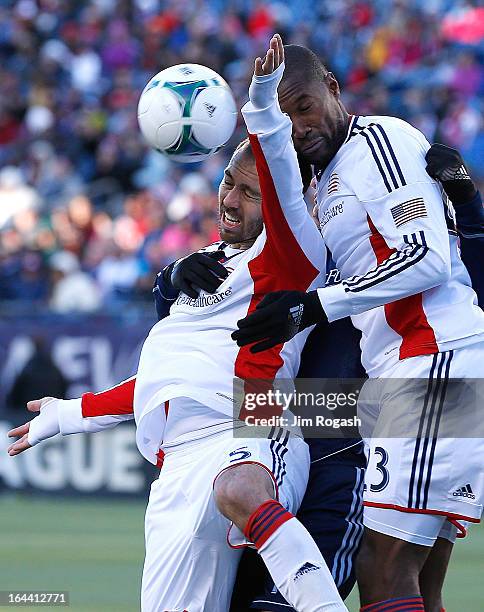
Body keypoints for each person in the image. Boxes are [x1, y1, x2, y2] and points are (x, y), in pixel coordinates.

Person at [7, 70, 349, 611]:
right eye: (228, 184)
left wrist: (262, 104)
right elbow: (169, 380)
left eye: (250, 193)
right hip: (175, 465)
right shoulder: (204, 267)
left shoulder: (291, 253)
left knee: (239, 489)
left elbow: (282, 177)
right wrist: (69, 414)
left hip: (248, 423)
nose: (231, 200)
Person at [233, 35, 484, 612]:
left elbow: (426, 257)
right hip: (411, 370)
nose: (299, 125)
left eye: (305, 105)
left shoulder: (380, 140)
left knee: (381, 567)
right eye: (285, 114)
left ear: (334, 90)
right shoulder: (322, 183)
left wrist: (315, 306)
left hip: (434, 361)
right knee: (419, 583)